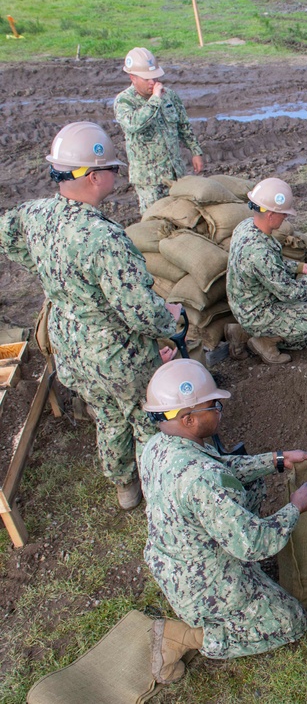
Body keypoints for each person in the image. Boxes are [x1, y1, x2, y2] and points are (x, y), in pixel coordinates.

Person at [0, 121, 180, 509]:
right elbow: (142, 314)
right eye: (114, 169)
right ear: (95, 176)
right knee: (147, 415)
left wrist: (51, 274)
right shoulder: (104, 239)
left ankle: (124, 488)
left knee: (107, 414)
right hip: (116, 354)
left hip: (69, 344)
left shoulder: (37, 214)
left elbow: (7, 235)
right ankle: (158, 490)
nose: (115, 176)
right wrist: (172, 318)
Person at [140, 359, 307, 684]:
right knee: (289, 621)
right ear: (189, 418)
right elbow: (255, 544)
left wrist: (276, 460)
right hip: (202, 584)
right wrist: (295, 508)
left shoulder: (158, 446)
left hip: (179, 560)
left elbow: (224, 469)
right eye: (214, 405)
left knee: (250, 483)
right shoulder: (200, 480)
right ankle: (181, 637)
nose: (220, 409)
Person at [225, 177, 307, 365]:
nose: (285, 217)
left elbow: (270, 265)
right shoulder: (259, 251)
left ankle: (241, 332)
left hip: (246, 306)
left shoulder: (245, 227)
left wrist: (300, 267)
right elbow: (290, 293)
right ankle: (264, 341)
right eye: (283, 214)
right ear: (270, 214)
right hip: (260, 313)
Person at [114, 47, 205, 213]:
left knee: (181, 216)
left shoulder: (169, 96)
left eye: (155, 77)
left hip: (175, 172)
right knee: (155, 221)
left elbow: (183, 125)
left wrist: (195, 151)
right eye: (147, 78)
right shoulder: (124, 102)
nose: (152, 82)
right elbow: (135, 124)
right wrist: (155, 100)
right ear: (132, 78)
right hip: (149, 180)